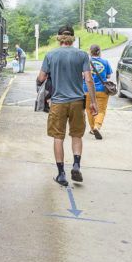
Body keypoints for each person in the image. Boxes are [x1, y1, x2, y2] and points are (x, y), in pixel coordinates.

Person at [37, 26, 97, 186]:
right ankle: (76, 164)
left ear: (59, 38)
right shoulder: (82, 55)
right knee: (76, 135)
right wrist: (93, 102)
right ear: (73, 38)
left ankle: (61, 174)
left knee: (58, 137)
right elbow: (89, 79)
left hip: (58, 102)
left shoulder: (50, 55)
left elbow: (41, 78)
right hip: (77, 102)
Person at [84, 44, 112, 140]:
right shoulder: (105, 62)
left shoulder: (86, 62)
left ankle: (92, 128)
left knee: (89, 110)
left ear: (90, 52)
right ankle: (97, 126)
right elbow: (108, 76)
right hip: (101, 90)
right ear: (99, 51)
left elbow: (82, 76)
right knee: (101, 110)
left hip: (87, 89)